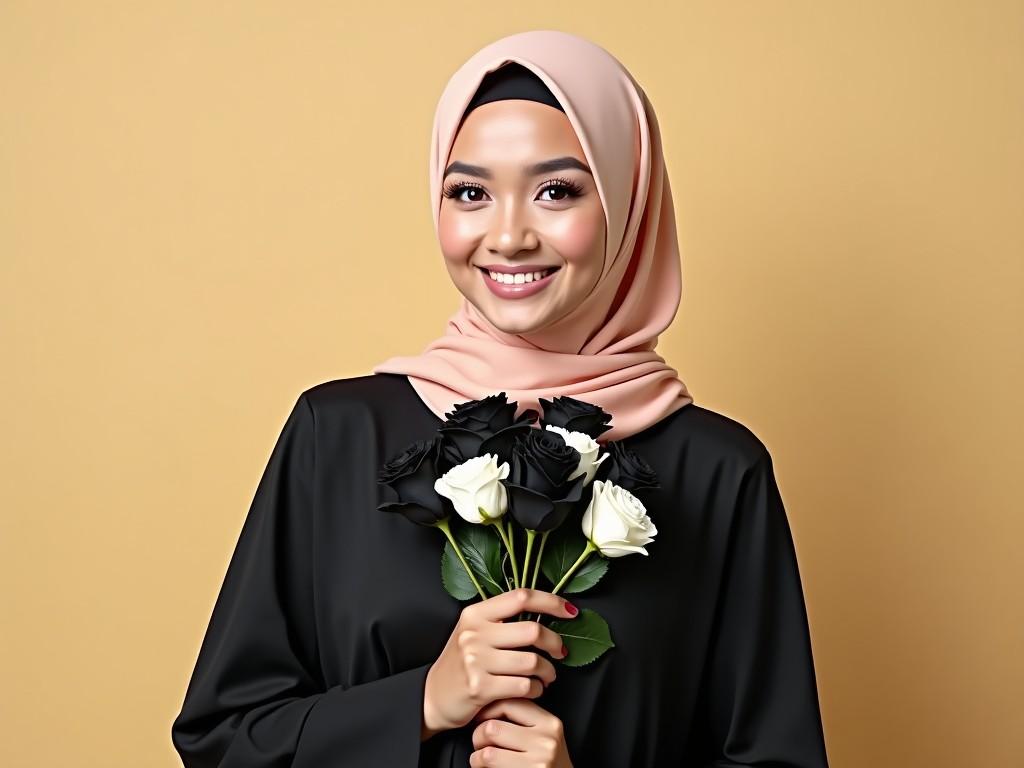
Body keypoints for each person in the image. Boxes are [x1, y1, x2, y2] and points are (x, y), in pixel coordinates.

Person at [170, 29, 830, 768]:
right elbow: (221, 740)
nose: (509, 236)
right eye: (471, 192)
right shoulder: (339, 434)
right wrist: (420, 703)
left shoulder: (717, 471)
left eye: (557, 190)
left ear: (628, 201)